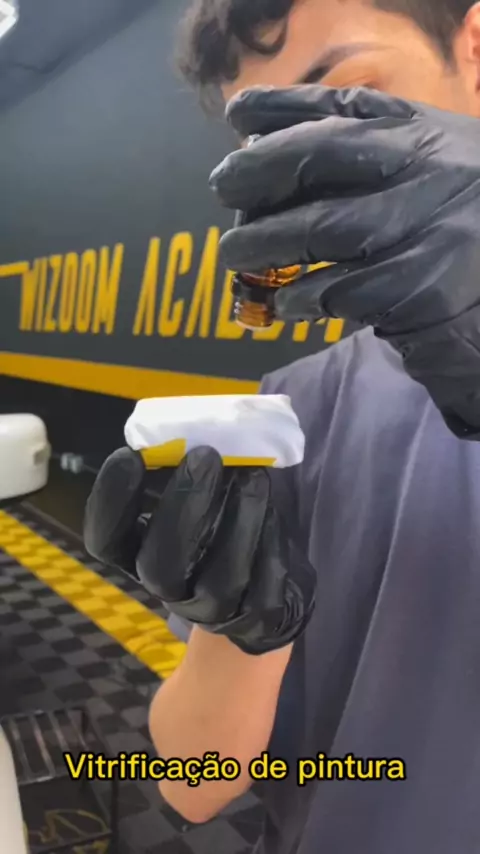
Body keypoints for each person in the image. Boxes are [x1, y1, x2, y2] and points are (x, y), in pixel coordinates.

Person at [84, 1, 480, 852]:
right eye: (271, 139)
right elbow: (195, 786)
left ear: (474, 47)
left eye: (348, 95)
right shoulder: (295, 408)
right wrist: (241, 631)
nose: (311, 161)